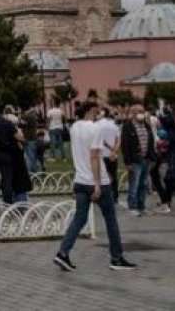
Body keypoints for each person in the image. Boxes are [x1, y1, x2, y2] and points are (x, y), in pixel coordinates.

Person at [54, 101, 136, 272]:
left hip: (80, 180)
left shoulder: (74, 127)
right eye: (97, 112)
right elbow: (94, 157)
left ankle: (63, 253)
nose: (99, 115)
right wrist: (98, 184)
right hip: (97, 182)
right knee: (110, 219)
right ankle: (116, 257)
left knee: (80, 218)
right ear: (91, 111)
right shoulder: (95, 129)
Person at [121, 104, 155, 216]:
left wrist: (152, 158)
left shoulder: (146, 125)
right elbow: (125, 145)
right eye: (139, 111)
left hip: (146, 159)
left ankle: (142, 206)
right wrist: (127, 162)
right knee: (134, 185)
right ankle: (133, 207)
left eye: (143, 111)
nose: (142, 113)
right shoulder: (128, 126)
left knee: (143, 184)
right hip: (135, 160)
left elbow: (151, 142)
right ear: (133, 113)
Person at [97, 107, 121, 205]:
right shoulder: (114, 125)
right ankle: (115, 196)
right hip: (112, 155)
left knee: (102, 176)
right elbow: (118, 140)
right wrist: (114, 151)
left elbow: (98, 140)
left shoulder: (97, 125)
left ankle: (103, 196)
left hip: (101, 155)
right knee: (113, 176)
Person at [20, 108, 41, 173]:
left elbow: (21, 124)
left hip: (28, 138)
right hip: (33, 138)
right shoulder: (34, 117)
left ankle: (30, 172)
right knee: (33, 156)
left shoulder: (28, 117)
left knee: (29, 156)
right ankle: (34, 171)